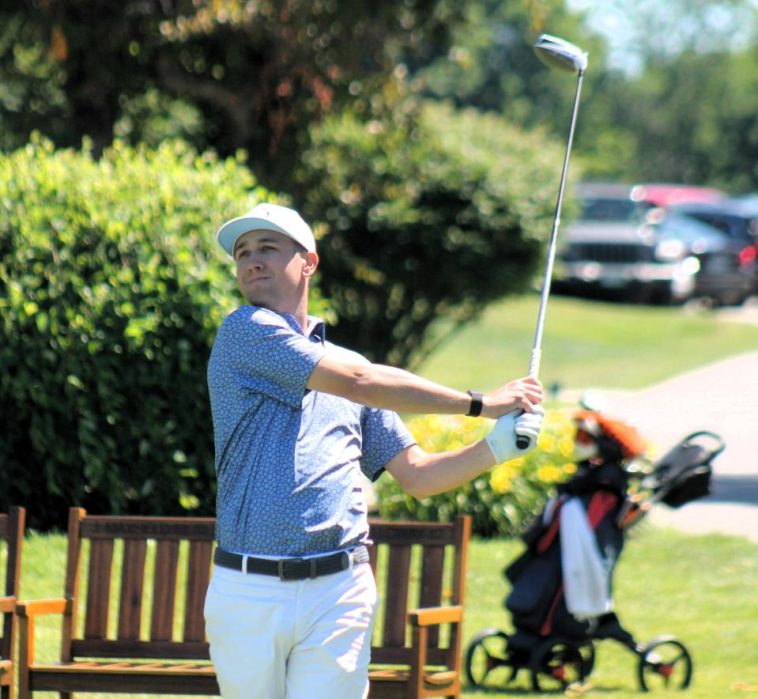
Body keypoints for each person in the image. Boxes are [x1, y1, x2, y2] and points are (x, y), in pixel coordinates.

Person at [204, 202, 544, 699]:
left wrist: (495, 448)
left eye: (268, 248)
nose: (252, 260)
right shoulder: (245, 331)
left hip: (337, 590)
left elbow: (418, 476)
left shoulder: (352, 369)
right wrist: (481, 403)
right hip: (249, 587)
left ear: (309, 262)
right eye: (243, 253)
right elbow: (361, 382)